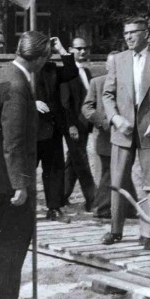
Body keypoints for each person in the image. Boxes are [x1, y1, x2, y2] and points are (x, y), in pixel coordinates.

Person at [0, 31, 51, 299]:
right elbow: (14, 141)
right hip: (8, 178)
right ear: (41, 57)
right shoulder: (18, 85)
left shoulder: (3, 72)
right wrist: (20, 185)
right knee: (13, 238)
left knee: (0, 238)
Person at [101, 18, 150, 249]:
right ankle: (115, 229)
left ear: (147, 34)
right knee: (117, 180)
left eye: (133, 32)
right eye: (126, 33)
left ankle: (148, 233)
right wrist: (115, 118)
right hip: (122, 129)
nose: (129, 37)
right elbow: (107, 94)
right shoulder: (118, 60)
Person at [82, 51, 138, 219]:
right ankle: (102, 208)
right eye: (112, 64)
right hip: (105, 137)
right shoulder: (97, 83)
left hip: (125, 136)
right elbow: (87, 108)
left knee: (123, 170)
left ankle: (127, 207)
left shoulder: (130, 85)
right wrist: (105, 121)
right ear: (106, 65)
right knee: (108, 173)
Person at [35, 37, 78, 221]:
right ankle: (23, 209)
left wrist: (62, 49)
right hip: (33, 129)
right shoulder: (24, 70)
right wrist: (31, 103)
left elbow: (71, 72)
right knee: (28, 170)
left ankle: (54, 208)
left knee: (54, 170)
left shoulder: (50, 69)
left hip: (52, 128)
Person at [61, 37, 97, 211]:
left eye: (85, 48)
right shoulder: (67, 72)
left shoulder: (87, 72)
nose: (83, 51)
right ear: (71, 50)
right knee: (81, 159)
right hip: (74, 124)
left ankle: (62, 195)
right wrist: (71, 125)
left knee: (73, 160)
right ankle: (93, 198)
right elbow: (65, 102)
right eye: (79, 48)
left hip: (85, 123)